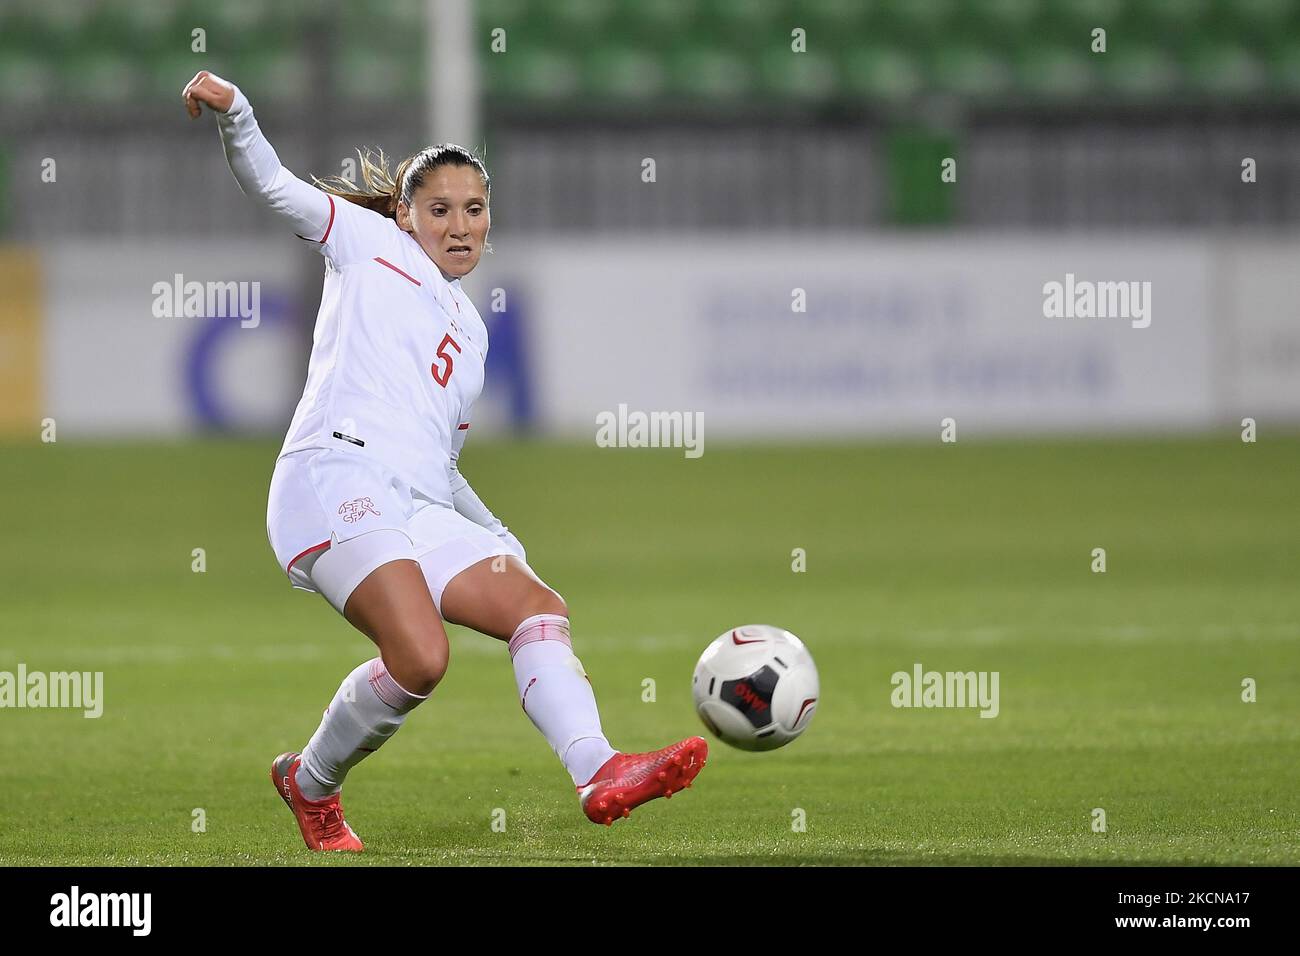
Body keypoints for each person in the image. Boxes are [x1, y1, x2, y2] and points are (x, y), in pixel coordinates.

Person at [182, 70, 706, 851]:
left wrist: (499, 535)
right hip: (333, 478)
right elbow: (274, 186)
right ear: (404, 214)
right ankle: (309, 783)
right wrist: (238, 114)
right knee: (422, 658)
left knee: (538, 607)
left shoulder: (471, 330)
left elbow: (444, 463)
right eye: (439, 210)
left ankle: (600, 769)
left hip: (419, 503)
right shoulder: (367, 246)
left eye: (474, 210)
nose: (459, 226)